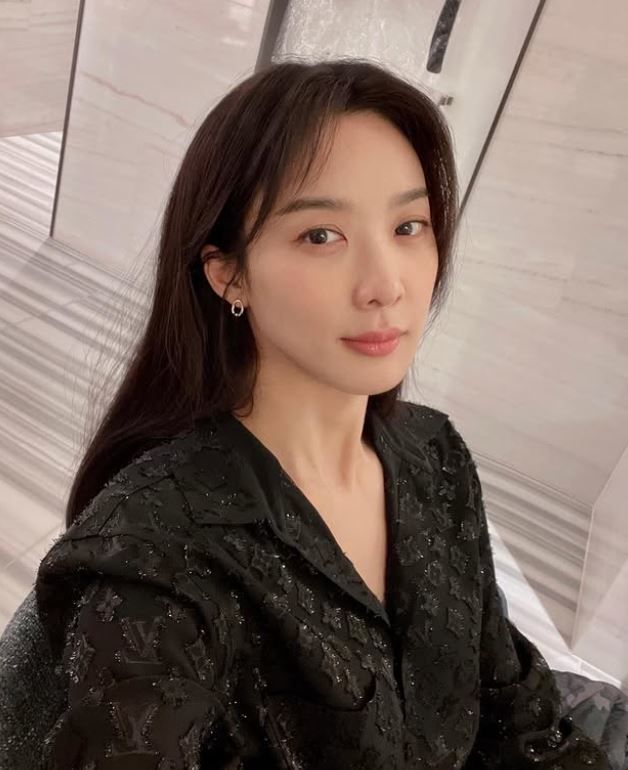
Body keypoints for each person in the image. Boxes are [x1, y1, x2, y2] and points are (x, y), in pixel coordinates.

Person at [34, 59, 611, 768]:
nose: (385, 285)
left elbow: (518, 718)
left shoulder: (435, 455)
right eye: (321, 236)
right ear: (228, 273)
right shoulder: (153, 563)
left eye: (409, 226)